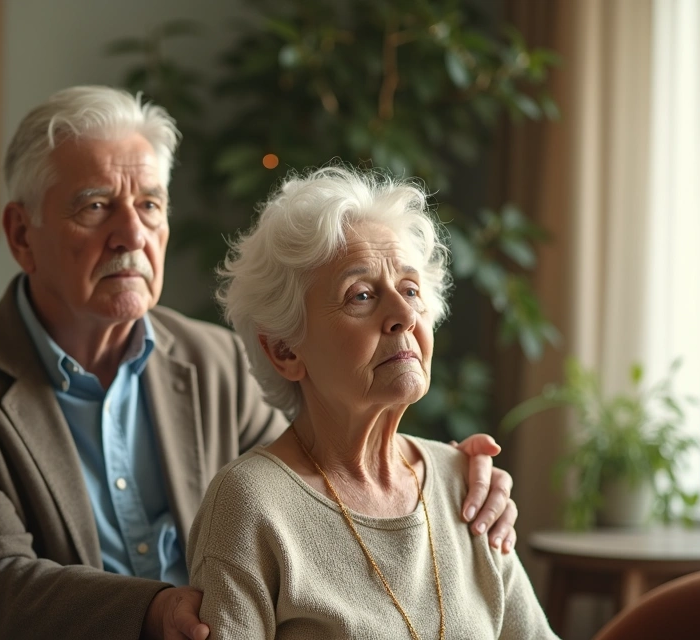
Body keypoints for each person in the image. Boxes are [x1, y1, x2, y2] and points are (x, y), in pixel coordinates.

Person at [0, 86, 518, 640]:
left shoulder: (216, 360)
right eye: (96, 206)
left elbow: (322, 481)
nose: (131, 233)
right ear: (22, 235)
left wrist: (439, 481)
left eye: (150, 204)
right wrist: (151, 613)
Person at [187, 167, 553, 639]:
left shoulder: (466, 484)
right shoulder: (250, 505)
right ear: (285, 350)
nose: (403, 315)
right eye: (360, 295)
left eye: (411, 290)